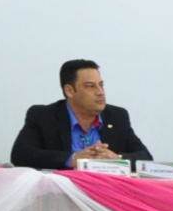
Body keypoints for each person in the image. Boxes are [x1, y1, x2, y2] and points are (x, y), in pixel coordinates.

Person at [11, 60, 152, 169]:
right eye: (90, 86)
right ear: (70, 91)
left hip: (106, 191)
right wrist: (72, 159)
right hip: (60, 193)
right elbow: (20, 155)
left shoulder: (117, 116)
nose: (100, 92)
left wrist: (117, 158)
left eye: (101, 85)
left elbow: (145, 158)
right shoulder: (44, 116)